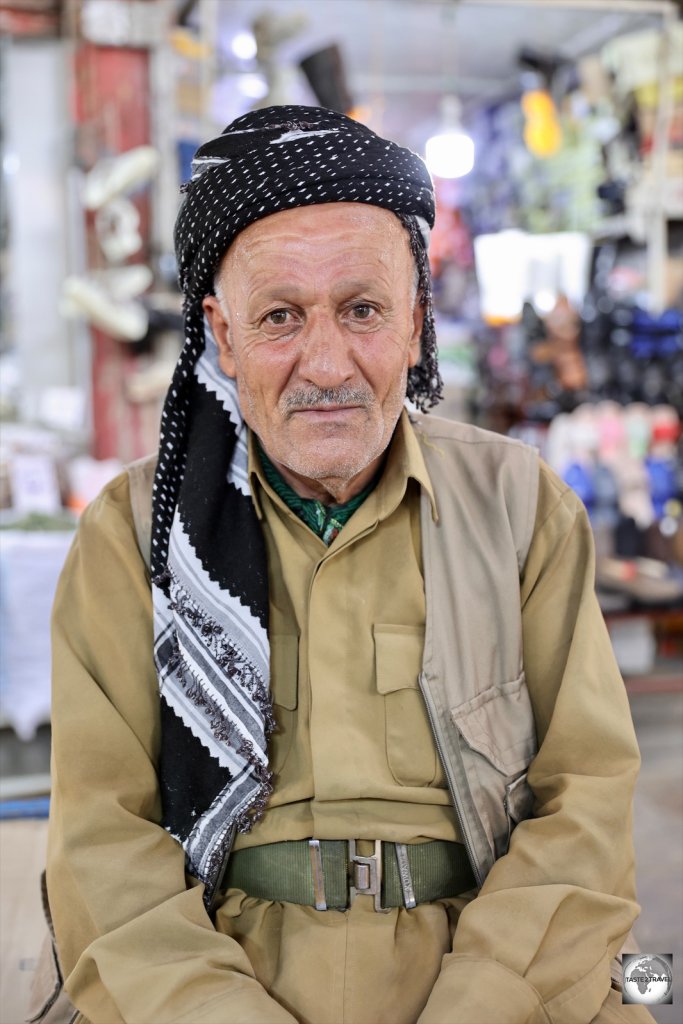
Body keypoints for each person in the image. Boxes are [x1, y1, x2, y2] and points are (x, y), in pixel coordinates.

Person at [46, 106, 654, 1024]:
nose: (325, 363)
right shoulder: (134, 532)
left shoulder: (517, 504)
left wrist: (484, 1005)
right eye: (280, 316)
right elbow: (101, 847)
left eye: (363, 310)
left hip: (497, 971)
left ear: (415, 325)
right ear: (222, 334)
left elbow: (586, 807)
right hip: (212, 982)